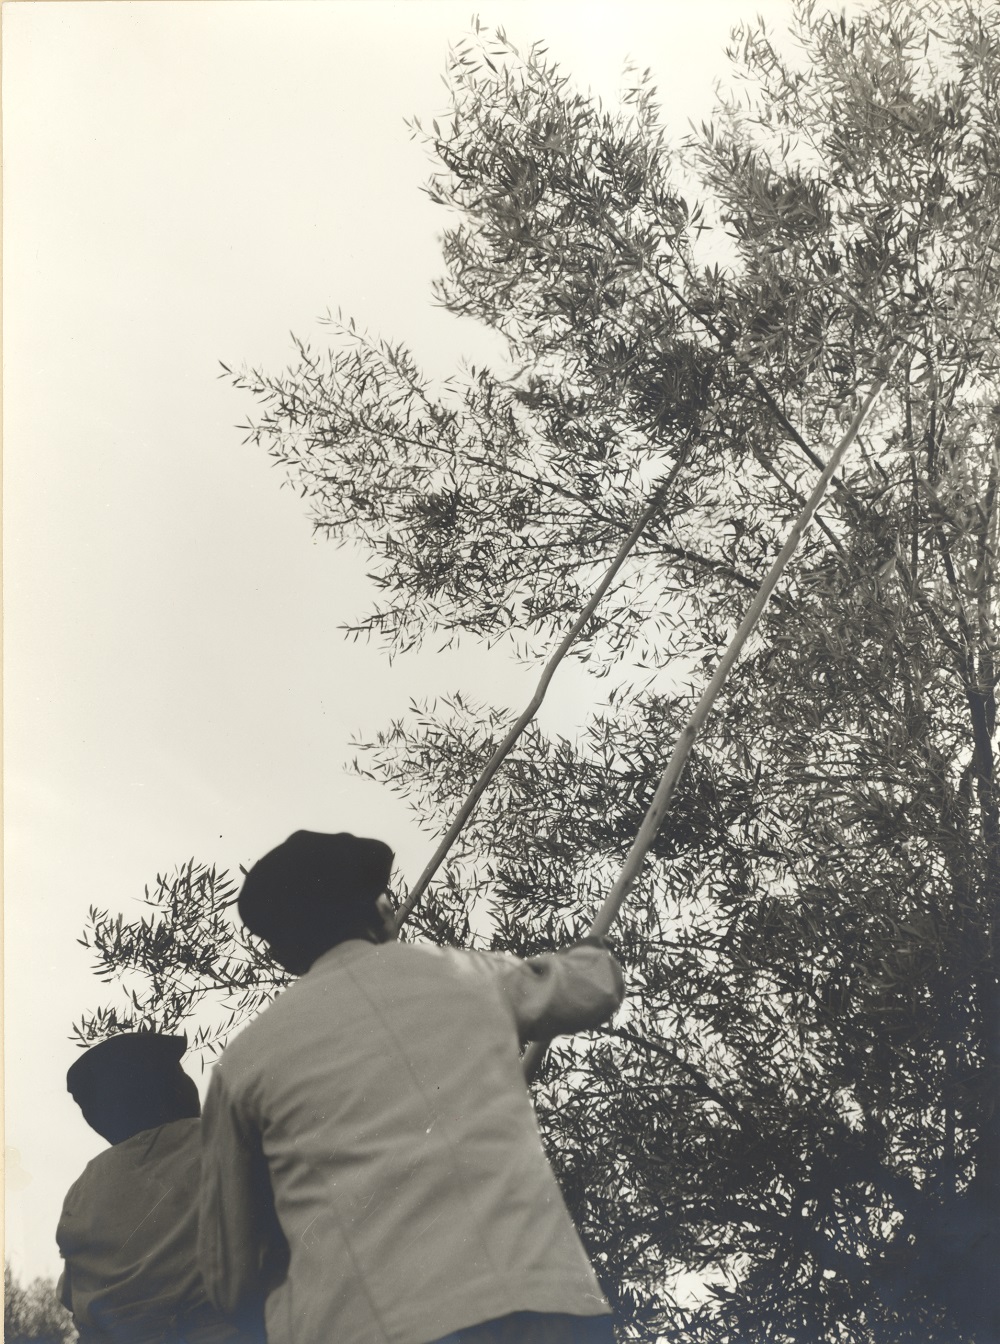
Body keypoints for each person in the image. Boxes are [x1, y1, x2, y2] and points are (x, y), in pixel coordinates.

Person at [198, 829, 625, 1344]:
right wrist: (591, 951)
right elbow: (592, 987)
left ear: (283, 952)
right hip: (546, 1302)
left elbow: (231, 1272)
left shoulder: (244, 1062)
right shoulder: (470, 975)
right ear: (380, 911)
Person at [58, 1032, 263, 1344]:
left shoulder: (83, 1189)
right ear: (165, 1089)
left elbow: (72, 1295)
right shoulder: (221, 1142)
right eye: (178, 1073)